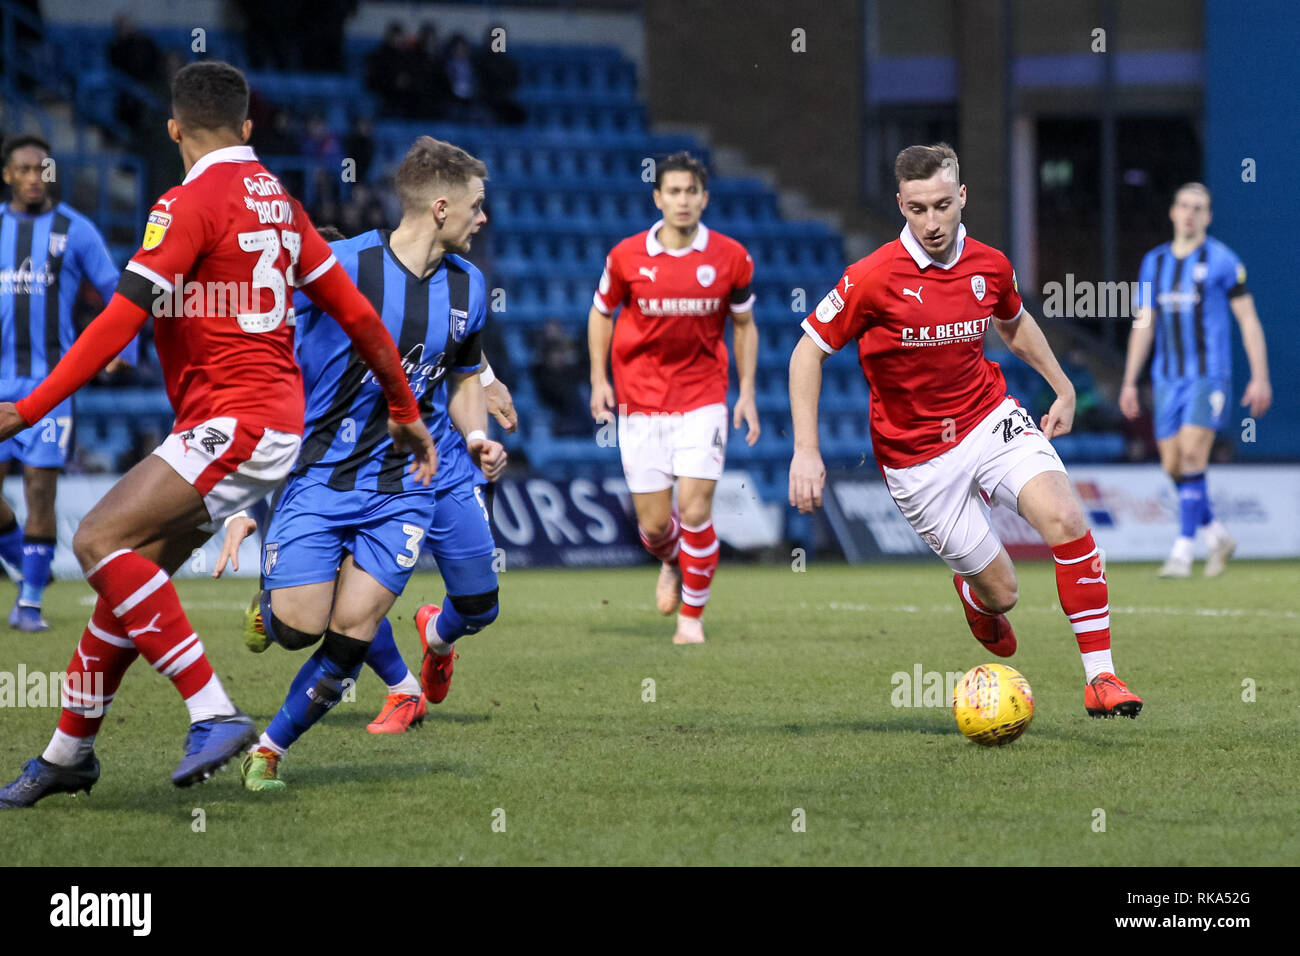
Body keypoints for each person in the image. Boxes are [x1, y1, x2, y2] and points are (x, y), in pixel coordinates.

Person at [0, 61, 435, 809]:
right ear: (247, 126)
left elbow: (119, 320)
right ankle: (67, 752)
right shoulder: (282, 204)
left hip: (234, 422)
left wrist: (27, 407)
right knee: (127, 591)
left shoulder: (186, 202)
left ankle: (213, 711)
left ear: (173, 130)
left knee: (97, 541)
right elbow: (361, 316)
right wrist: (403, 405)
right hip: (265, 422)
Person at [789, 143, 1142, 719]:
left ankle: (1101, 679)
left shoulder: (989, 263)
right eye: (918, 208)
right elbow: (807, 353)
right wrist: (806, 450)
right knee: (1004, 594)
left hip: (988, 417)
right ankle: (975, 595)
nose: (932, 222)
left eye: (943, 205)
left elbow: (1014, 322)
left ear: (963, 197)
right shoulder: (871, 278)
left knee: (1067, 518)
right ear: (901, 204)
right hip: (917, 457)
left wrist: (1063, 385)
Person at [209, 137, 505, 790]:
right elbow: (263, 350)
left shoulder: (470, 286)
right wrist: (243, 490)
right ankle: (274, 603)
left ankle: (270, 751)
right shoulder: (339, 266)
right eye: (476, 206)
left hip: (404, 488)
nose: (484, 219)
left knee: (352, 630)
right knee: (297, 629)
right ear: (439, 206)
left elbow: (460, 378)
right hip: (319, 476)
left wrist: (477, 435)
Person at [588, 152, 759, 645]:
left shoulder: (731, 257)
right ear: (657, 197)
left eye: (691, 192)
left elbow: (744, 325)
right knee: (656, 524)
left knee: (696, 508)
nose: (682, 201)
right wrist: (599, 379)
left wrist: (745, 393)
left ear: (704, 199)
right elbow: (601, 314)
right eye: (673, 191)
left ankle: (691, 620)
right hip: (639, 401)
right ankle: (670, 560)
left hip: (703, 398)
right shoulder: (625, 257)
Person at [0, 134, 137, 630]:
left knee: (40, 492)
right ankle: (27, 563)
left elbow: (118, 290)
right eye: (24, 169)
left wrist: (124, 349)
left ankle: (30, 600)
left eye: (42, 169)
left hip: (50, 387)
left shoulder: (75, 230)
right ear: (8, 176)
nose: (35, 177)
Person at [1120, 183, 1270, 577]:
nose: (1190, 213)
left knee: (1190, 455)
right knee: (1173, 465)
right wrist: (1129, 381)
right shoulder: (1154, 262)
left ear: (1208, 216)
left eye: (1198, 208)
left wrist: (1260, 376)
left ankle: (1183, 551)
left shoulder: (1222, 261)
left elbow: (1248, 320)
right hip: (1166, 378)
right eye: (1184, 205)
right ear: (1172, 212)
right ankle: (1216, 533)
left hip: (1208, 376)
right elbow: (1144, 323)